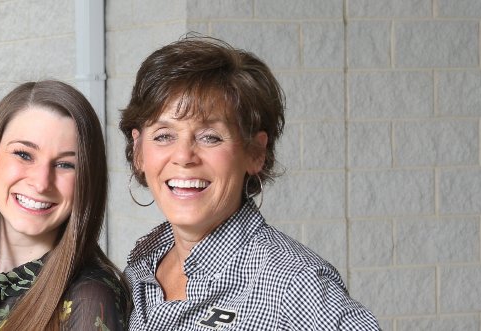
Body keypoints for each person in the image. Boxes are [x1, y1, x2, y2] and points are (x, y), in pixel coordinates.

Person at [119, 35, 379, 330]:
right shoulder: (137, 274)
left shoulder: (293, 283)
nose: (183, 156)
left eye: (210, 137)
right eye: (164, 135)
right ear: (139, 151)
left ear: (255, 152)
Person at [0, 80, 130, 331]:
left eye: (66, 164)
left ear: (87, 181)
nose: (41, 183)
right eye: (24, 155)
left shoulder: (90, 298)